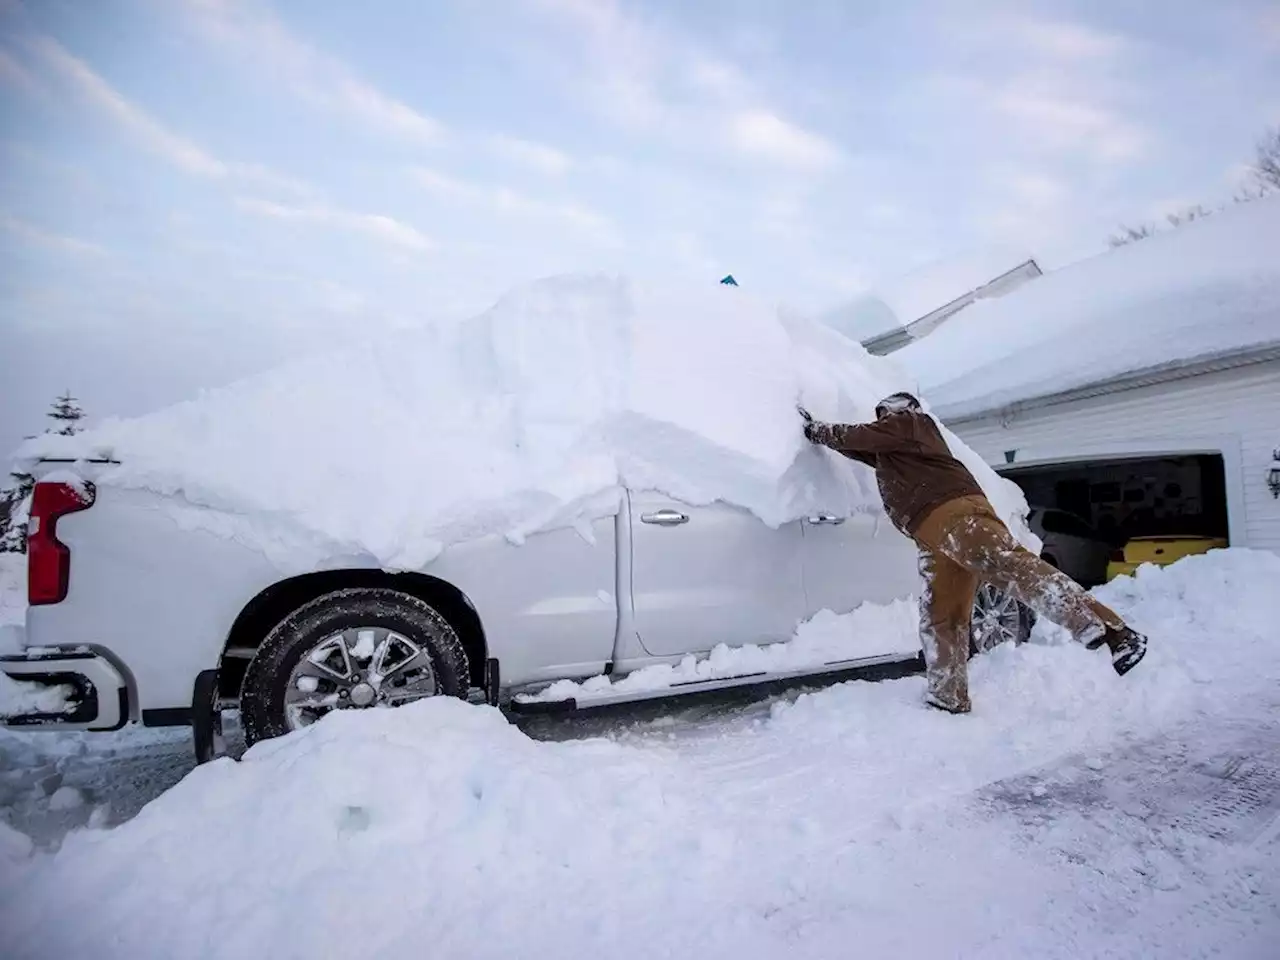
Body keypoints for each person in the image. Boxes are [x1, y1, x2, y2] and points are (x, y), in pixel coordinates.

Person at [799, 392, 1147, 715]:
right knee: (941, 616)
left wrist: (817, 428)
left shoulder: (914, 423)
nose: (881, 419)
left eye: (884, 413)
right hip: (933, 537)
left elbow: (860, 437)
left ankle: (1111, 630)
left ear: (901, 409)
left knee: (1012, 567)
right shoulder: (895, 452)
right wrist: (815, 432)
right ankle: (947, 696)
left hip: (958, 515)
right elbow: (857, 447)